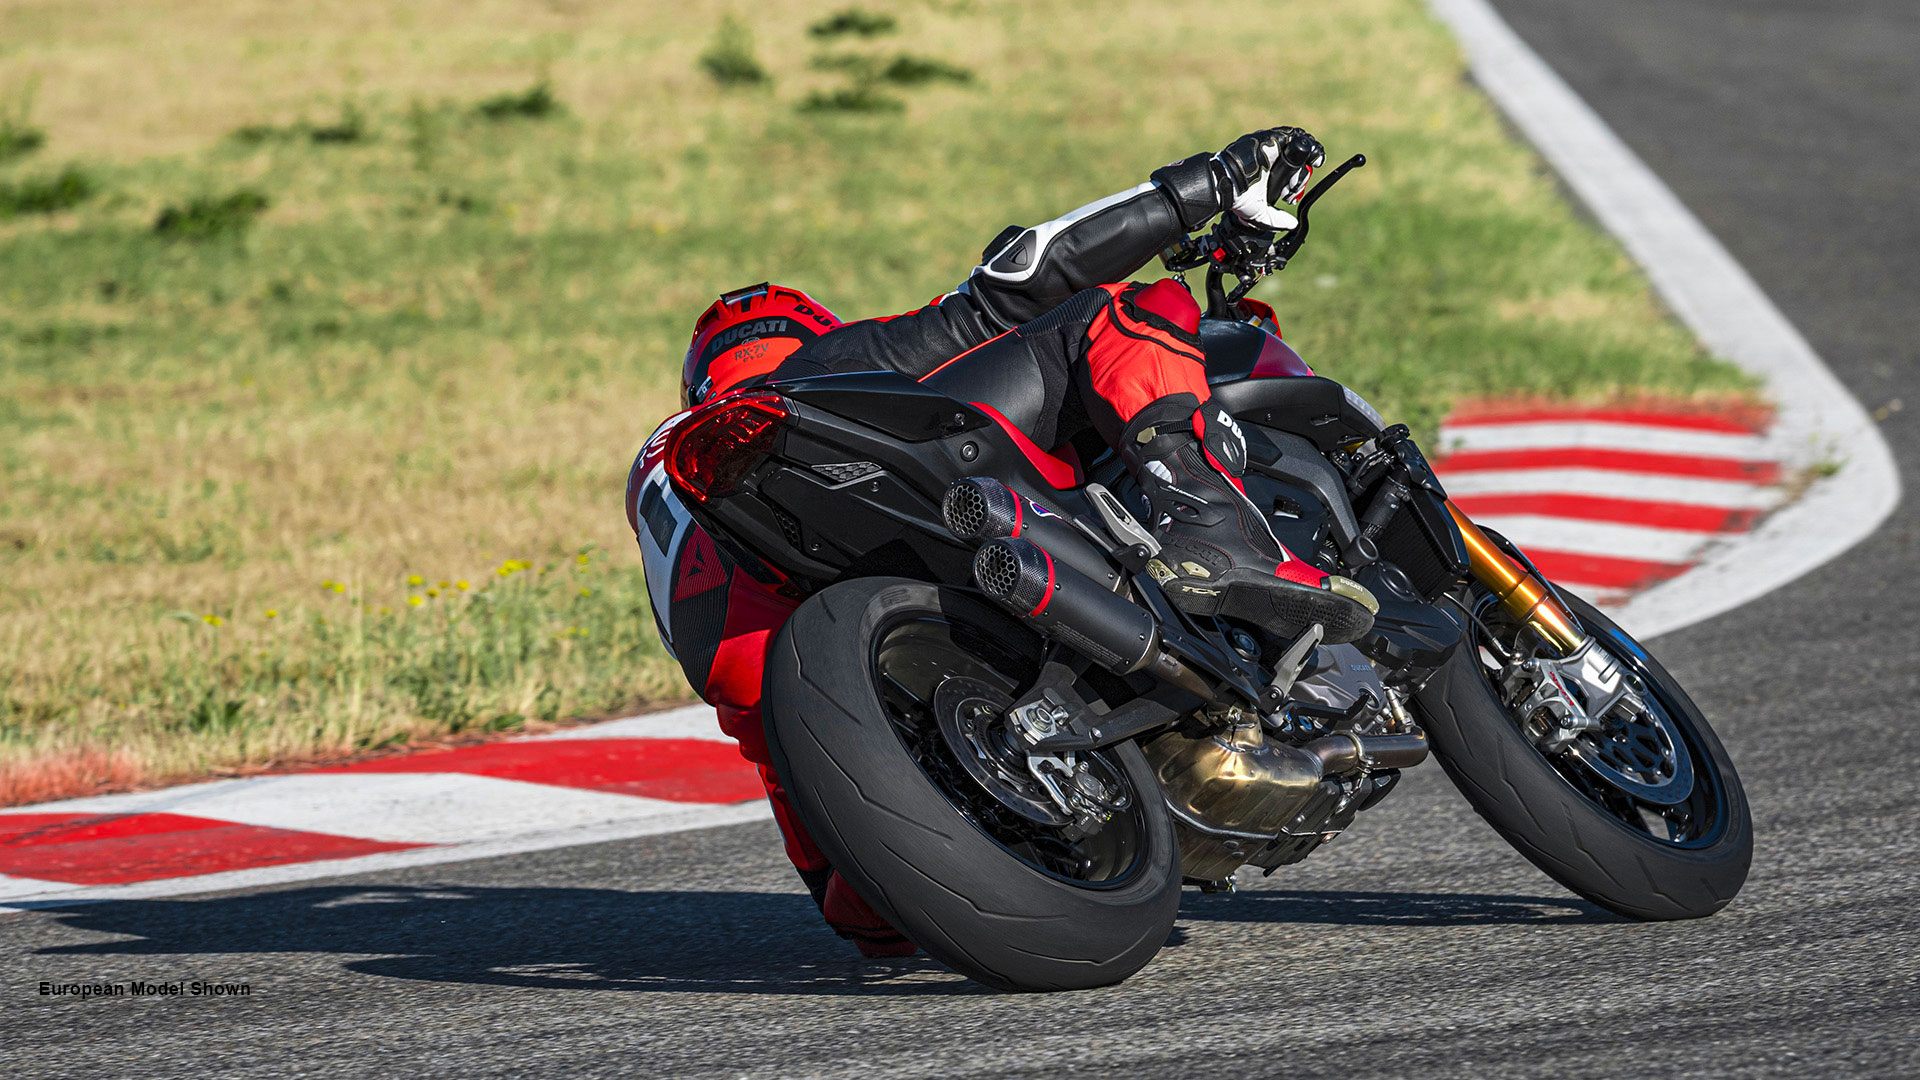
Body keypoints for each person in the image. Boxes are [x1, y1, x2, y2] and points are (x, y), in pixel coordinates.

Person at [628, 126, 1377, 958]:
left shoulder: (667, 523)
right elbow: (1017, 281)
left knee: (825, 847)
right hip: (881, 536)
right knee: (1125, 309)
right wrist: (1203, 187)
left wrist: (878, 875)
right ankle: (1211, 523)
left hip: (761, 650)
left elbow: (841, 882)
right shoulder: (825, 371)